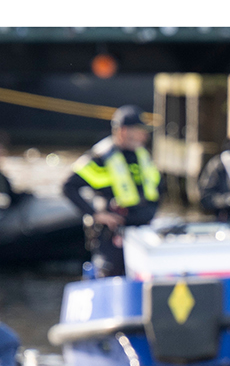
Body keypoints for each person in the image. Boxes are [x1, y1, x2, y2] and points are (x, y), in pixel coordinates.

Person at [62, 106, 161, 277]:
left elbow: (158, 187)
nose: (144, 135)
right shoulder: (101, 156)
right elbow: (68, 186)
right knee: (111, 274)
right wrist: (95, 214)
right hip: (112, 233)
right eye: (139, 130)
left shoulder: (142, 154)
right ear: (123, 131)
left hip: (141, 230)